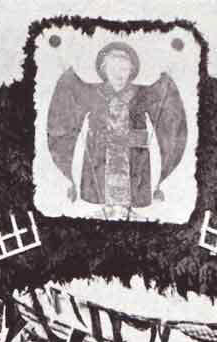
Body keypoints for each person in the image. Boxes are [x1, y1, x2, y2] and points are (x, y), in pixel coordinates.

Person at [46, 41, 188, 217]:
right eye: (113, 69)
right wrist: (67, 77)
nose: (119, 74)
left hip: (134, 157)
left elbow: (163, 96)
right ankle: (106, 210)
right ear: (104, 70)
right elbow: (73, 90)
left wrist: (166, 81)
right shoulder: (93, 92)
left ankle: (127, 210)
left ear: (131, 71)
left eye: (124, 69)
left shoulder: (143, 94)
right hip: (99, 156)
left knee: (132, 192)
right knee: (100, 191)